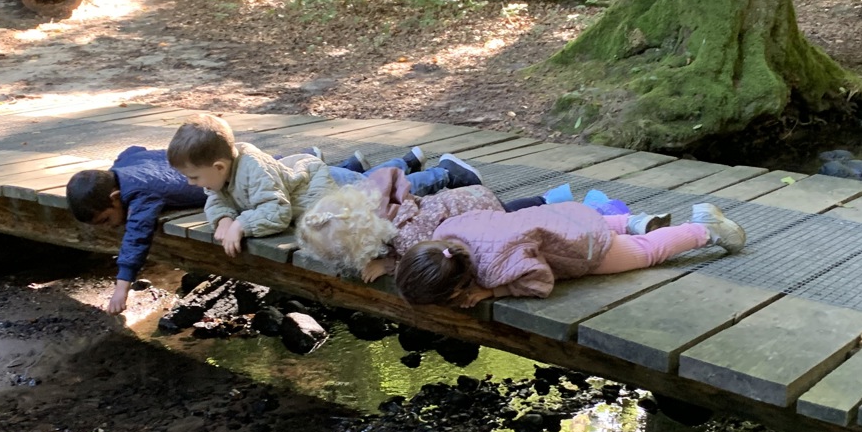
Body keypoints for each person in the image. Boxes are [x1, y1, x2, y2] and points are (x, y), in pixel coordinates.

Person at [166, 112, 483, 257]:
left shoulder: (253, 170)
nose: (192, 184)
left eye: (194, 177)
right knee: (374, 182)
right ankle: (405, 161)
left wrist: (241, 225)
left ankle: (445, 173)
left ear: (219, 167)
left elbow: (277, 212)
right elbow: (217, 199)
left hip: (330, 189)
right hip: (316, 186)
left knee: (382, 193)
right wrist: (223, 218)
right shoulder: (220, 176)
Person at [296, 176, 671, 282]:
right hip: (466, 202)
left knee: (533, 219)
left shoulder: (408, 238)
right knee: (529, 211)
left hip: (480, 214)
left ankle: (601, 209)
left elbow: (420, 257)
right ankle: (558, 197)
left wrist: (388, 265)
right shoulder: (381, 211)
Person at [394, 202, 746, 307]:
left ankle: (704, 229)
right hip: (560, 217)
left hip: (584, 246)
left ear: (458, 288)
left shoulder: (497, 268)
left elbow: (540, 281)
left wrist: (494, 290)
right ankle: (632, 221)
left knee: (646, 252)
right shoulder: (446, 232)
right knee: (597, 223)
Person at [66, 146, 206, 314]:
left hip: (212, 179)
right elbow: (133, 150)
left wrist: (121, 290)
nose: (107, 227)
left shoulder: (141, 193)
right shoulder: (121, 168)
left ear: (115, 197)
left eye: (105, 220)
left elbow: (137, 238)